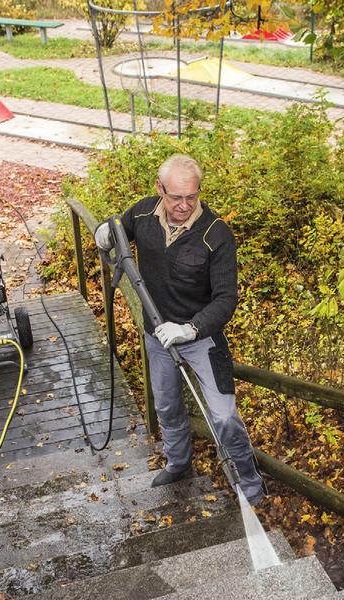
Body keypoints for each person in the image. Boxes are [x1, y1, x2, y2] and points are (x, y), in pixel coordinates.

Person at [95, 154, 266, 506]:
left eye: (192, 196)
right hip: (157, 335)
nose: (185, 205)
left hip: (202, 339)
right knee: (168, 405)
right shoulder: (143, 213)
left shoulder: (216, 234)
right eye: (176, 197)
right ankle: (178, 462)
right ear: (160, 190)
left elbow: (226, 299)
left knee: (223, 416)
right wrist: (105, 232)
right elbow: (119, 229)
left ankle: (249, 484)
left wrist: (191, 329)